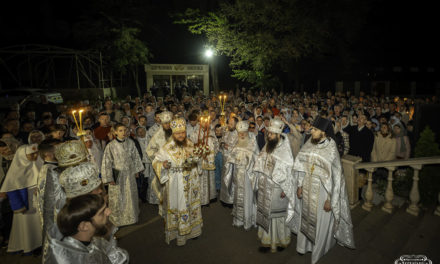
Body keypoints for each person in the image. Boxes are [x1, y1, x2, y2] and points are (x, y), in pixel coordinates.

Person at [289, 117, 355, 264]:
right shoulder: (310, 142)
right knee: (306, 218)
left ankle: (318, 251)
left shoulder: (331, 147)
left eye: (315, 129)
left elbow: (336, 176)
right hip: (307, 187)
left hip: (323, 192)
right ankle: (303, 246)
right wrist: (299, 185)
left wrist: (330, 199)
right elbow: (301, 165)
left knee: (320, 222)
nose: (311, 131)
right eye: (312, 128)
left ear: (324, 132)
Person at [152, 117, 203, 246]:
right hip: (176, 183)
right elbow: (155, 161)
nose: (181, 135)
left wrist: (199, 157)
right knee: (178, 205)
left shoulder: (190, 143)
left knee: (191, 206)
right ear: (173, 134)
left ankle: (193, 232)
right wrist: (162, 165)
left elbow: (197, 159)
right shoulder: (166, 148)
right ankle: (179, 233)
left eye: (183, 132)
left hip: (191, 182)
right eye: (178, 133)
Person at [46, 194, 129, 264]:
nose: (109, 212)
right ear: (84, 226)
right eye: (101, 212)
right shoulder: (69, 260)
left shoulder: (91, 238)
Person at [252, 118, 294, 253]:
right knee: (266, 213)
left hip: (277, 188)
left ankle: (281, 241)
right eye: (268, 133)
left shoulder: (285, 149)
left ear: (278, 135)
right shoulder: (268, 145)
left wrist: (285, 189)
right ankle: (267, 241)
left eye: (270, 134)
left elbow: (289, 170)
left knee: (278, 216)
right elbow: (260, 160)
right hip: (265, 185)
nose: (268, 136)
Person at [0, 144, 43, 255]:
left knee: (40, 223)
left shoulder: (39, 164)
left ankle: (41, 243)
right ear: (23, 156)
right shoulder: (15, 170)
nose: (35, 156)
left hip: (39, 202)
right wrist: (18, 206)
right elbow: (11, 188)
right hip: (26, 204)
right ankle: (30, 246)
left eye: (36, 153)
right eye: (31, 154)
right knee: (27, 226)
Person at [101, 123, 144, 227]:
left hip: (129, 174)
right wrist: (109, 177)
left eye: (125, 130)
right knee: (118, 197)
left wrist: (137, 170)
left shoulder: (131, 143)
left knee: (130, 195)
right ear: (115, 132)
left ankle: (131, 217)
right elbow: (106, 162)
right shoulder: (111, 146)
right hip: (117, 175)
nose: (123, 132)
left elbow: (136, 157)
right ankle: (118, 219)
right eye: (120, 130)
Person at [223, 121, 259, 230]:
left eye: (244, 132)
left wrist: (247, 160)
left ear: (247, 132)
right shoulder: (236, 142)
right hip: (237, 174)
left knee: (247, 196)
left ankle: (248, 220)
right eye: (240, 133)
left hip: (248, 175)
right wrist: (231, 158)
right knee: (237, 196)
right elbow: (231, 157)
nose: (242, 135)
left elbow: (256, 157)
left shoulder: (252, 143)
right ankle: (238, 220)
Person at [146, 111, 173, 208]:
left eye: (170, 122)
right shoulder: (157, 135)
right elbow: (150, 150)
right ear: (161, 123)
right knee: (164, 189)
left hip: (175, 165)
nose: (168, 125)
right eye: (166, 123)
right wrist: (160, 160)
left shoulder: (176, 132)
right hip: (163, 166)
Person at [219, 116, 239, 205]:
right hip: (225, 159)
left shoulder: (239, 134)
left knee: (231, 180)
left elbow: (239, 148)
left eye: (231, 124)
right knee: (224, 179)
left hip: (233, 162)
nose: (229, 125)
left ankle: (231, 201)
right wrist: (223, 144)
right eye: (229, 123)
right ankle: (224, 199)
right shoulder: (227, 132)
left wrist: (228, 147)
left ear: (236, 124)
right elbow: (222, 141)